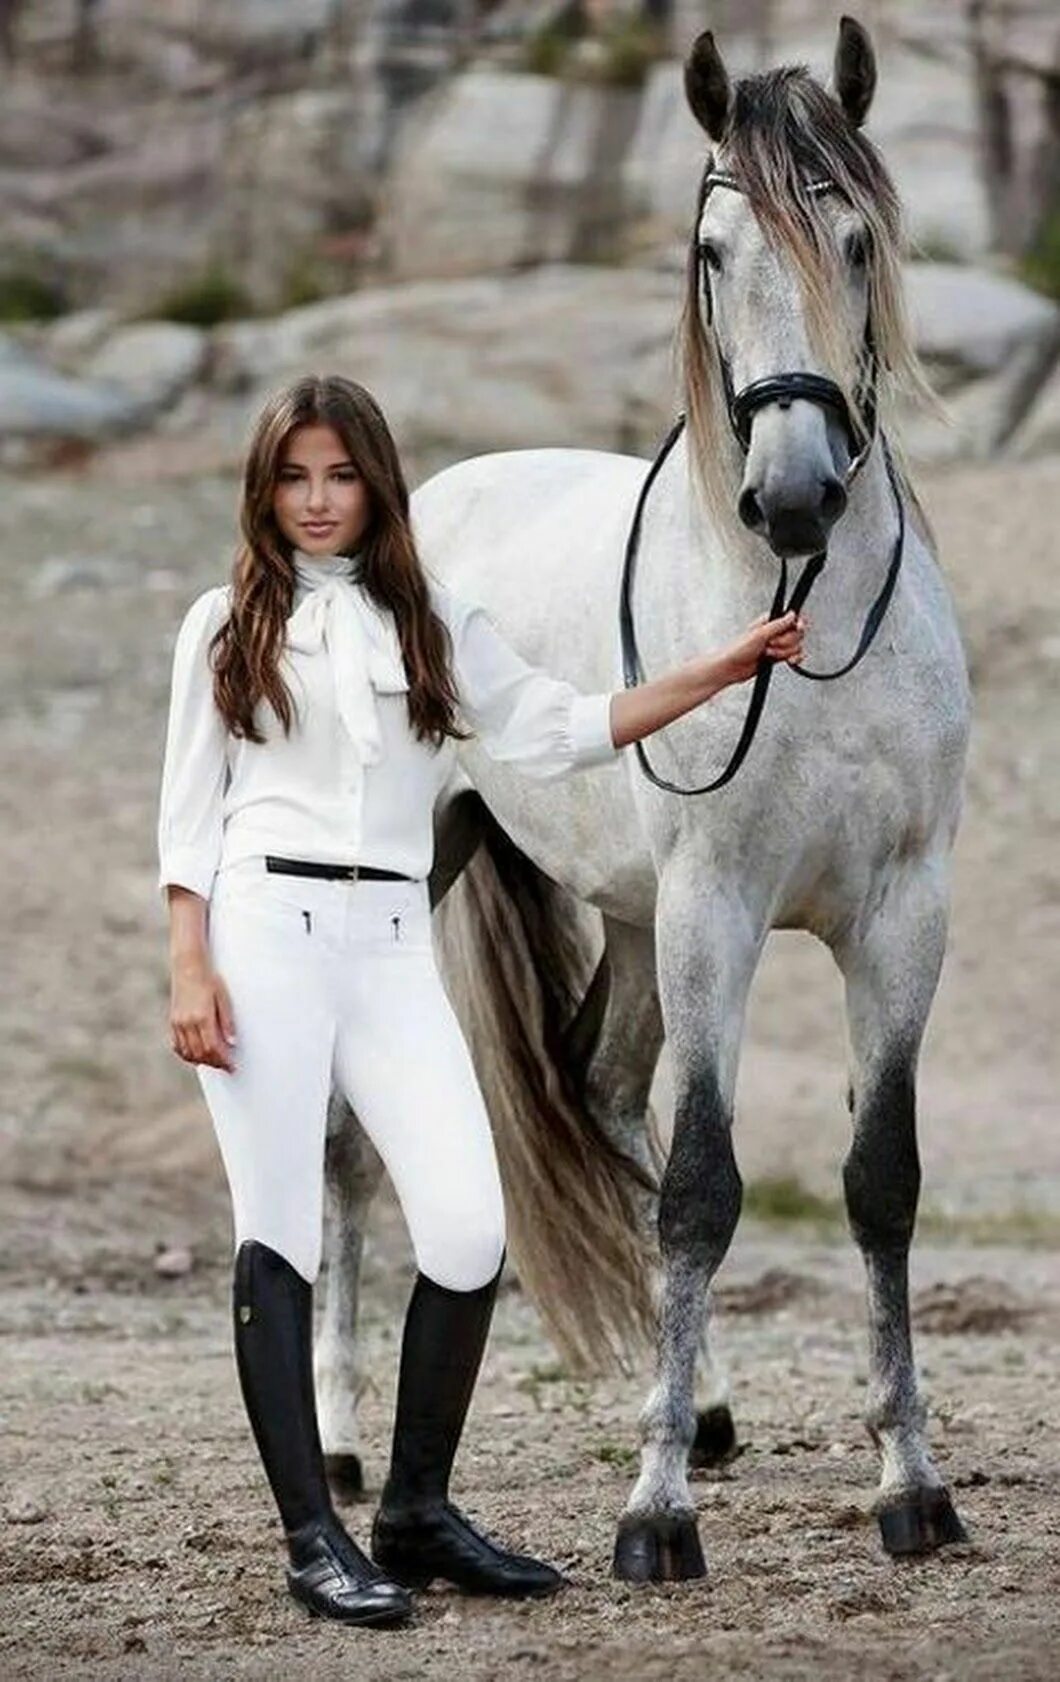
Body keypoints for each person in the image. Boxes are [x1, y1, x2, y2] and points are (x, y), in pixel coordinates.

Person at [157, 374, 805, 1628]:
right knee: (278, 1228)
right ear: (264, 490)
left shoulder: (436, 622)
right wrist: (192, 967)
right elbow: (185, 822)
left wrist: (720, 667)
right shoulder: (221, 624)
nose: (317, 501)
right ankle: (313, 1538)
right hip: (263, 939)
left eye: (340, 475)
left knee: (465, 1231)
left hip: (394, 943)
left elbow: (563, 726)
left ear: (377, 484)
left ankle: (416, 1509)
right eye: (294, 477)